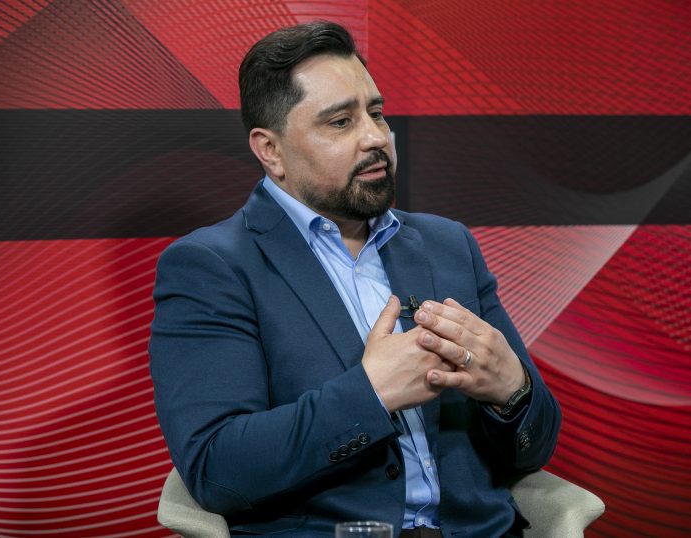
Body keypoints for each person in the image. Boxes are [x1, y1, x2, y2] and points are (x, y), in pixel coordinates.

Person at [149, 21, 561, 537]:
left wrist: (512, 392)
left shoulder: (448, 244)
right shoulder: (212, 266)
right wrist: (372, 394)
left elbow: (534, 448)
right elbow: (218, 470)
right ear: (270, 150)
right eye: (341, 122)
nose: (376, 137)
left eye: (376, 113)